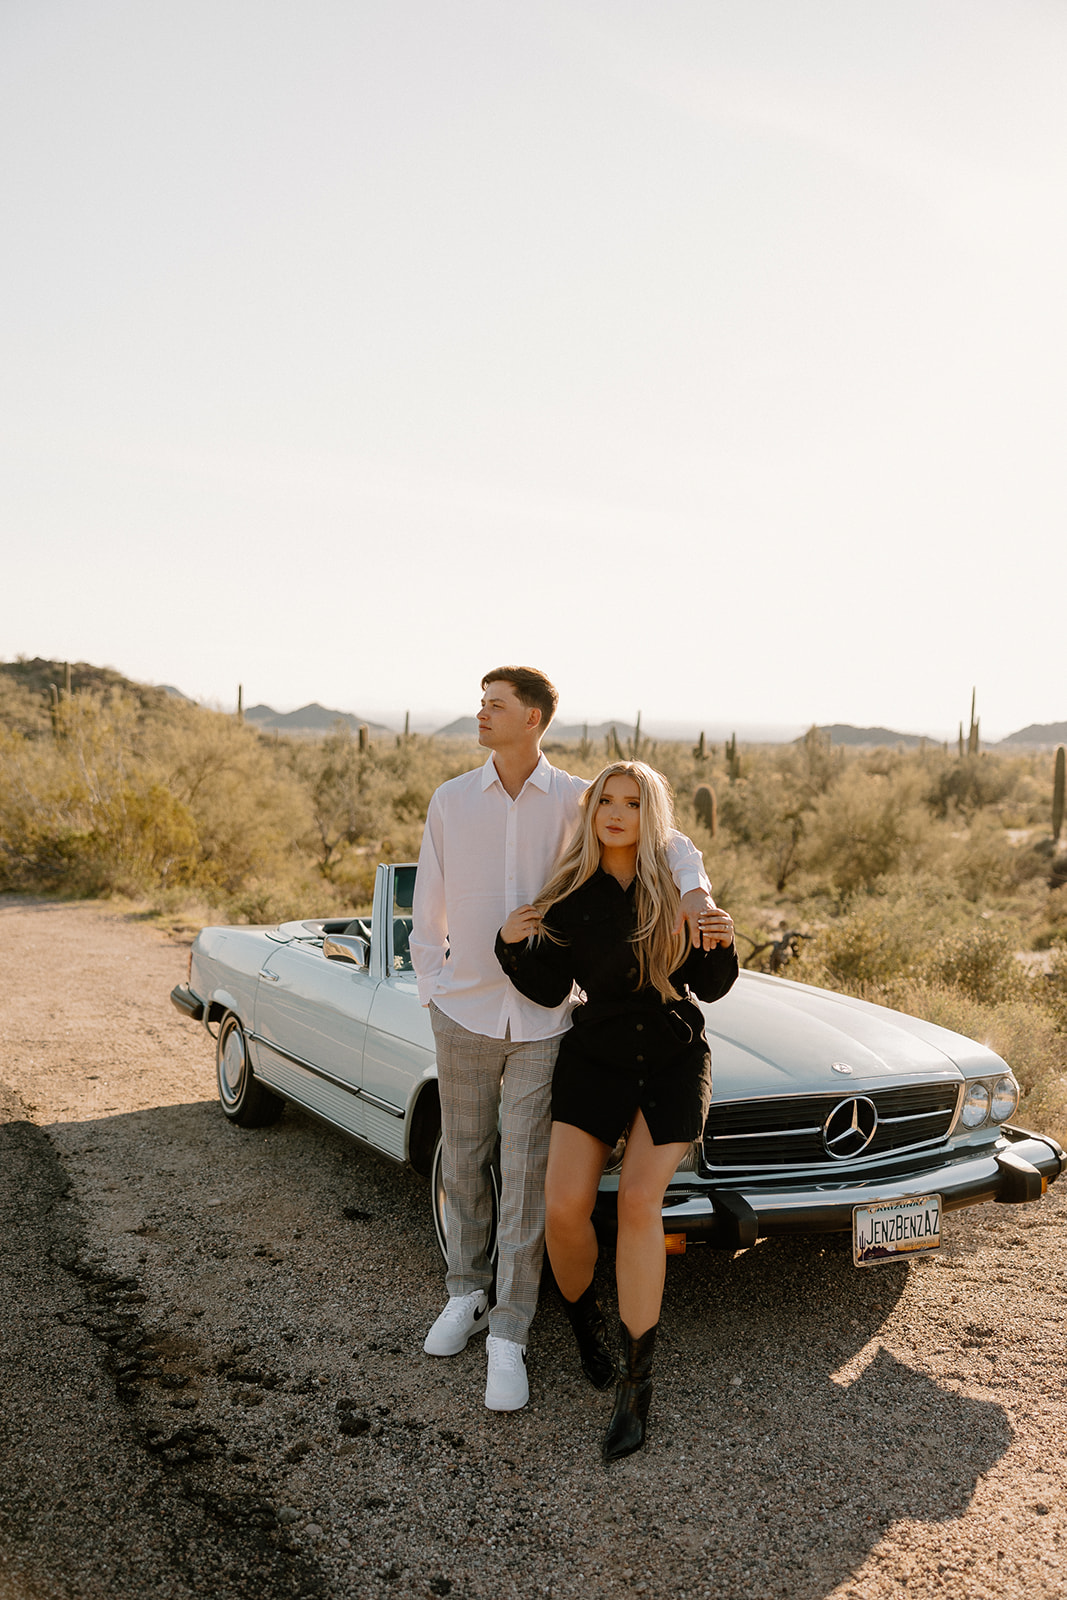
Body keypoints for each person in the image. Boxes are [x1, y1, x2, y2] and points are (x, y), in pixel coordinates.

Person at [410, 668, 719, 1412]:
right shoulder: (451, 799)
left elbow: (665, 837)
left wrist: (697, 891)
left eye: (495, 705)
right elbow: (428, 903)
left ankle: (510, 1332)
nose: (479, 714)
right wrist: (434, 989)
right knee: (464, 1160)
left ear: (535, 720)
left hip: (546, 1021)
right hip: (465, 1011)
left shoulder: (583, 798)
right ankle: (465, 1294)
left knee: (527, 1177)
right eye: (481, 703)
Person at [495, 761, 737, 1458]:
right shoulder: (570, 899)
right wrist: (507, 945)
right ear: (592, 808)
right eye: (607, 799)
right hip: (595, 1057)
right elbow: (546, 991)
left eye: (632, 802)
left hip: (670, 1054)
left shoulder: (677, 893)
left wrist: (719, 940)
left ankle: (637, 1389)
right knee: (563, 1207)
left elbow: (711, 987)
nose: (617, 812)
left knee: (637, 1202)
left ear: (649, 815)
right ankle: (583, 1324)